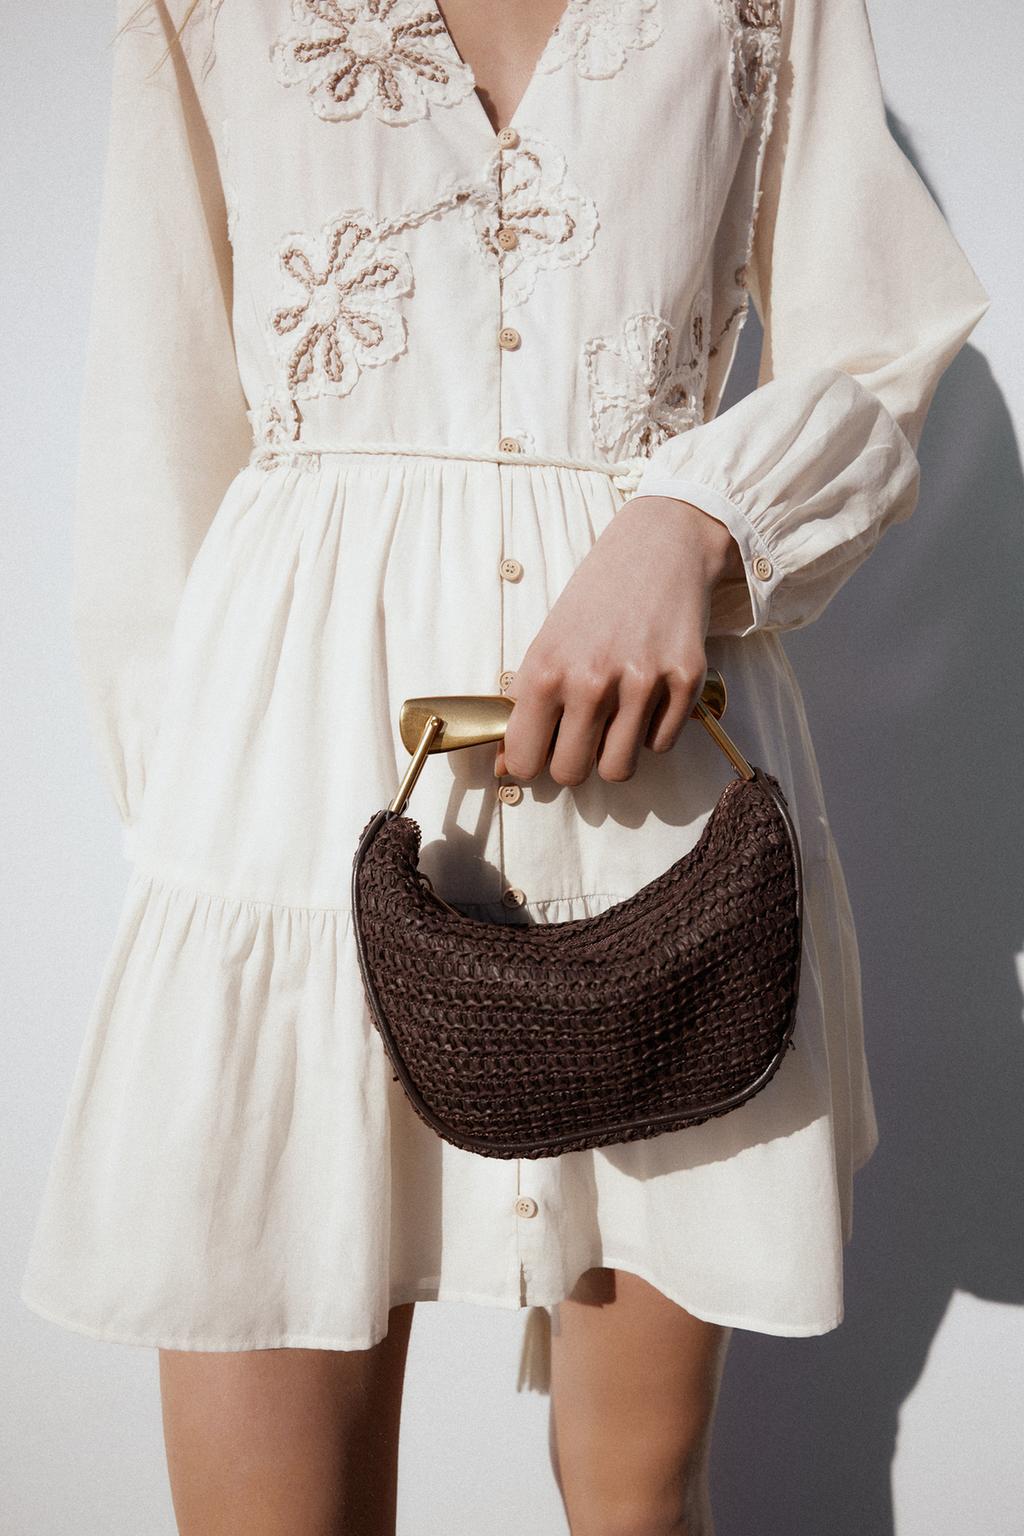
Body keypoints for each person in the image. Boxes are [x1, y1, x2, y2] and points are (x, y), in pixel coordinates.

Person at [21, 0, 989, 1532]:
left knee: (636, 1500)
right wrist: (198, 835)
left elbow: (886, 330)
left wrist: (699, 520)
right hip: (290, 807)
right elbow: (157, 429)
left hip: (658, 819)